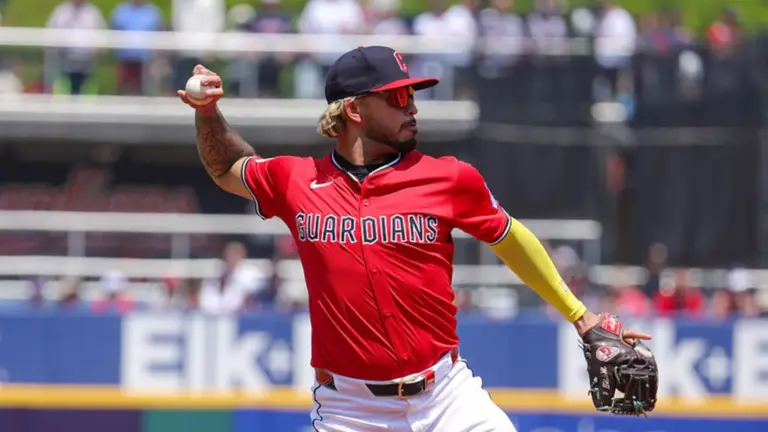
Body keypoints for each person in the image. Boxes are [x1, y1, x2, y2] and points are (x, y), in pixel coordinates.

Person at [177, 45, 652, 431]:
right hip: (351, 411)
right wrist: (207, 112)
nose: (412, 106)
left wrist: (581, 316)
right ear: (354, 109)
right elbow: (226, 167)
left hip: (446, 396)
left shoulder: (449, 178)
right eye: (397, 96)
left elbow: (511, 239)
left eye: (411, 94)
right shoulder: (297, 180)